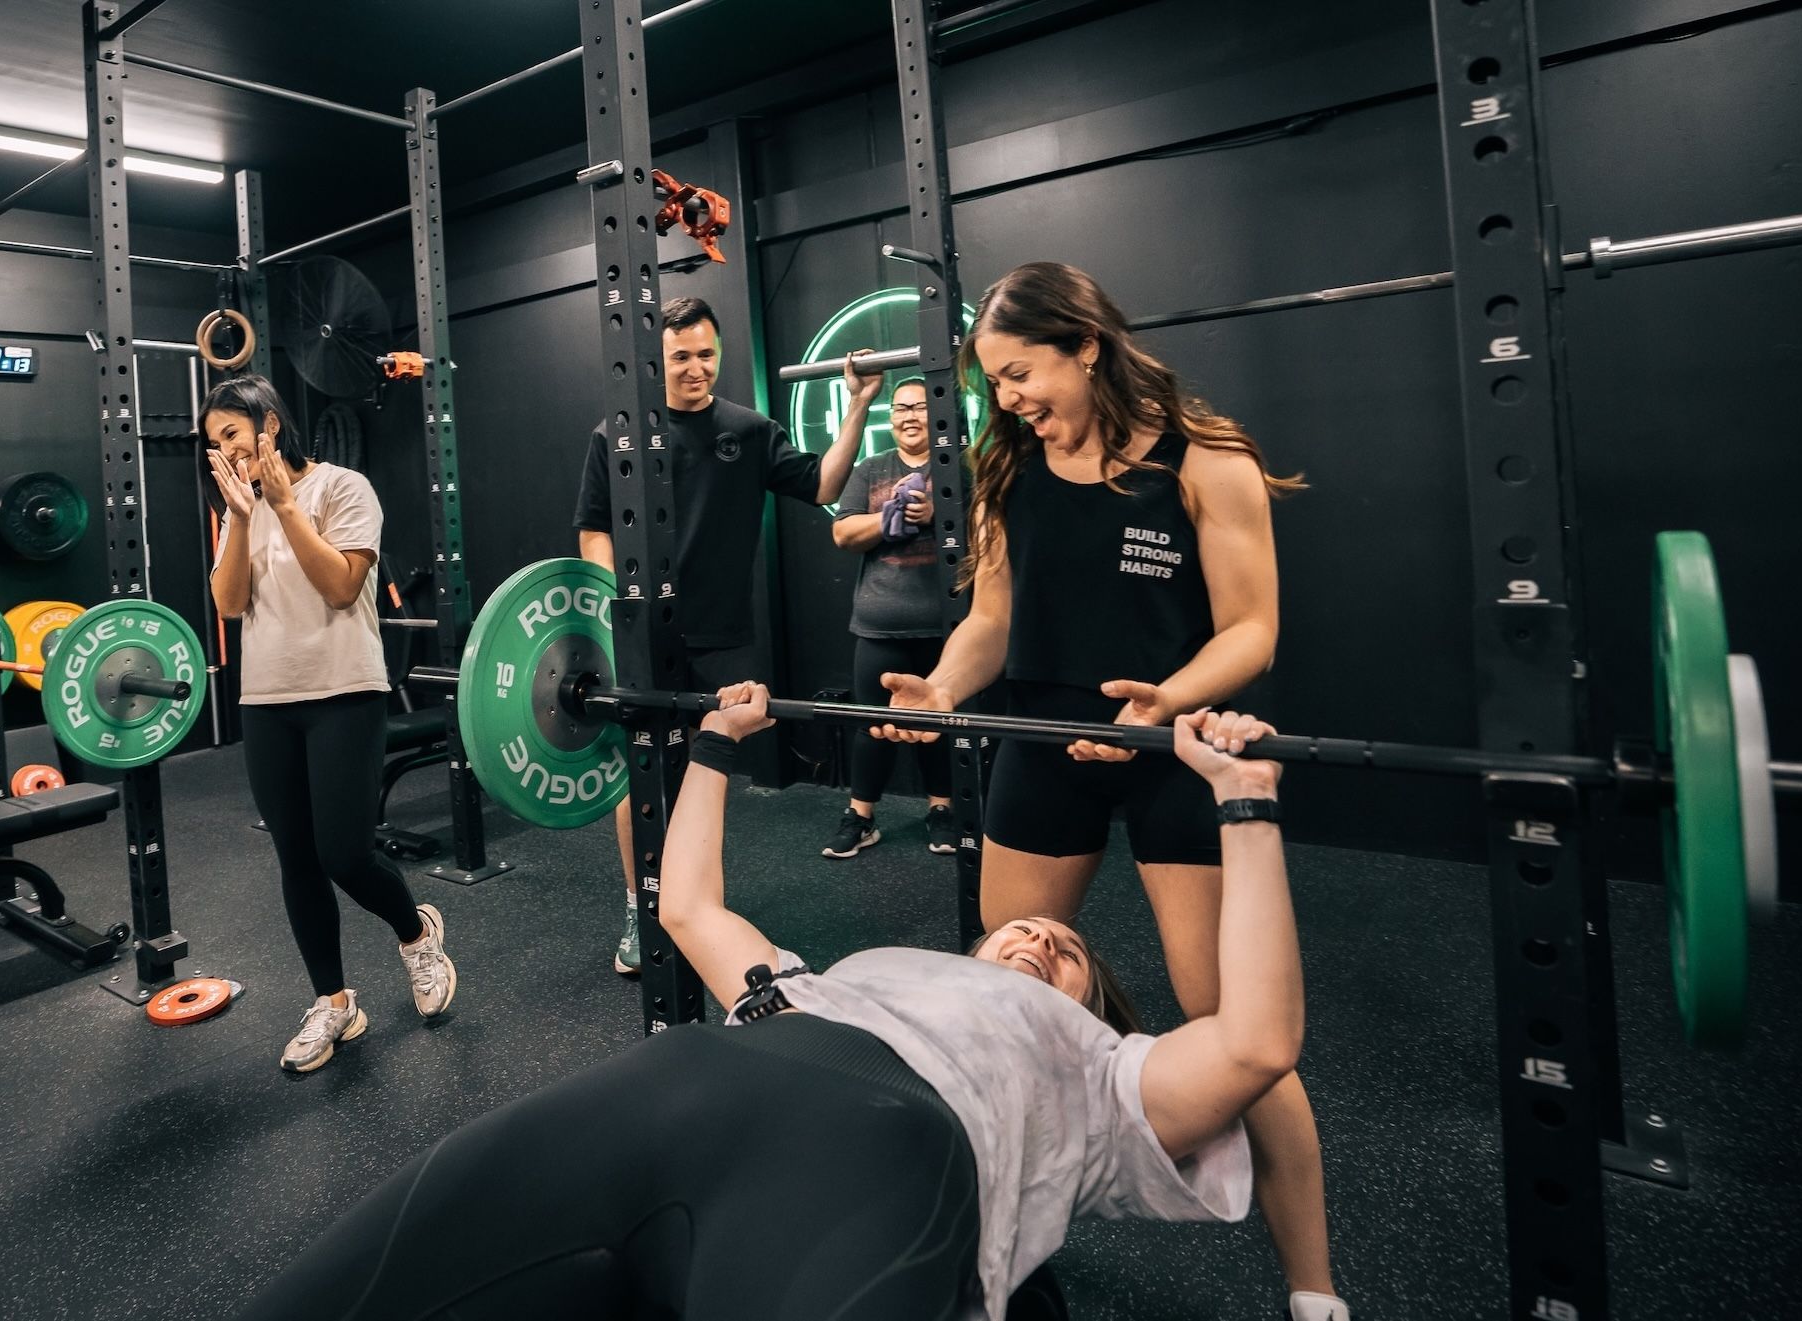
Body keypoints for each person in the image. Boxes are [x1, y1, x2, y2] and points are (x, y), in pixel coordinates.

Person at [237, 685, 1308, 1321]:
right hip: (691, 1080)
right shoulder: (831, 977)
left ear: (1097, 1015)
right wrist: (715, 743)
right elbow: (689, 906)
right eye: (1022, 931)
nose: (1036, 937)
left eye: (1066, 956)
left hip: (886, 1145)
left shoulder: (1105, 1078)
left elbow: (1257, 1042)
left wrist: (1244, 801)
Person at [871, 261, 1342, 1319]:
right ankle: (997, 1237)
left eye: (1019, 374)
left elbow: (1253, 628)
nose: (1007, 401)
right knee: (1001, 1004)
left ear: (1086, 346)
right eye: (994, 383)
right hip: (1043, 745)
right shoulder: (1006, 467)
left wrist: (1166, 701)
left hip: (1177, 750)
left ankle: (1314, 1291)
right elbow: (993, 617)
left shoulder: (1205, 459)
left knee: (1238, 1027)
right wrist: (943, 685)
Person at [573, 295, 865, 973]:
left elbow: (824, 483)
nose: (696, 367)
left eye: (707, 354)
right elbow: (593, 530)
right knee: (643, 776)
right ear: (656, 361)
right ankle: (640, 905)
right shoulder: (615, 436)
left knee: (706, 775)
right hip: (647, 638)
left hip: (721, 635)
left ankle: (697, 907)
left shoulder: (750, 430)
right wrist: (625, 607)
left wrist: (856, 405)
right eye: (681, 356)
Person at [203, 373, 457, 1074]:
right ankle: (334, 1001)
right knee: (297, 858)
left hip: (345, 691)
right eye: (213, 442)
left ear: (269, 425)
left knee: (345, 853)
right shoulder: (239, 509)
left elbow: (342, 586)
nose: (224, 450)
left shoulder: (343, 488)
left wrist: (285, 507)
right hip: (266, 700)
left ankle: (416, 932)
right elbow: (229, 603)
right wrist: (241, 520)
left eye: (232, 433)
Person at [823, 374, 966, 859]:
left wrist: (935, 516)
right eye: (901, 408)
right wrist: (890, 518)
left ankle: (942, 811)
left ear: (938, 413)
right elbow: (843, 533)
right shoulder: (871, 468)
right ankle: (861, 817)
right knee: (872, 726)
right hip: (879, 624)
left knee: (937, 724)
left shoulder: (961, 468)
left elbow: (986, 530)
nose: (909, 416)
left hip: (946, 626)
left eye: (920, 407)